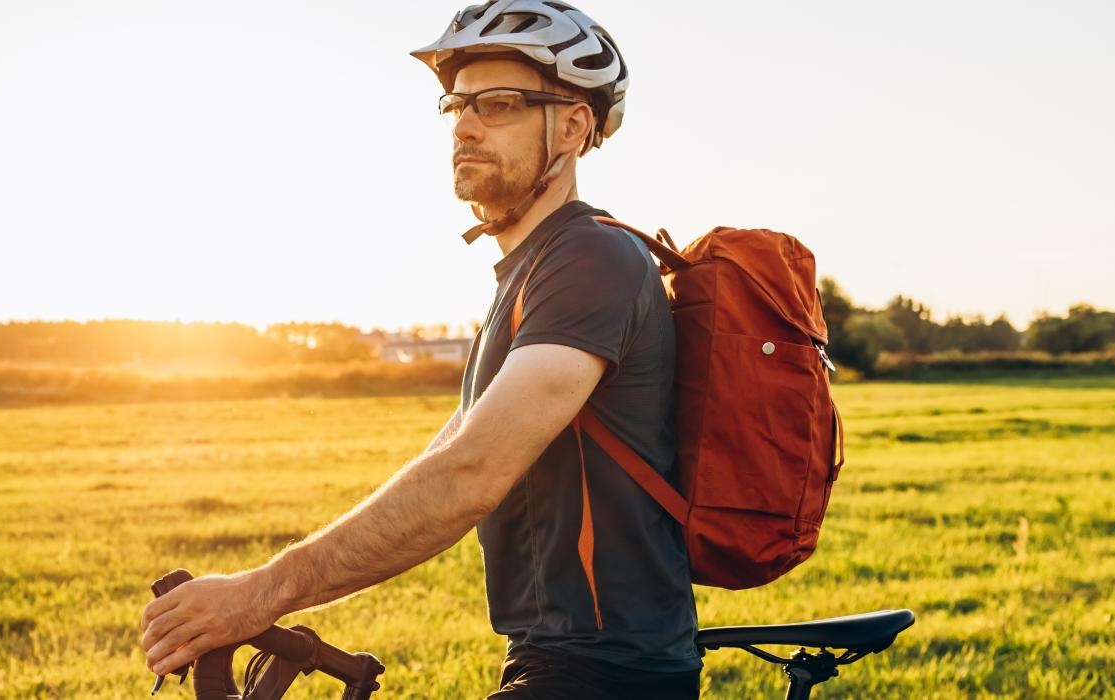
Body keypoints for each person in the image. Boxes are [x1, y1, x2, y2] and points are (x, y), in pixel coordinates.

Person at [140, 2, 699, 696]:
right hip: (552, 661)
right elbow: (443, 455)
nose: (464, 124)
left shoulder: (593, 259)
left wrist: (263, 592)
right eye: (456, 105)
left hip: (610, 674)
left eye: (498, 104)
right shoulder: (528, 275)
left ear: (575, 125)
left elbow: (471, 472)